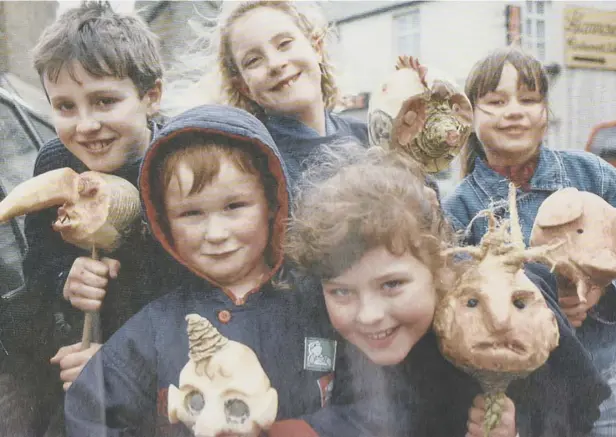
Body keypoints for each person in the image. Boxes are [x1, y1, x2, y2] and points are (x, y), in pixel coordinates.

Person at [284, 142, 610, 436]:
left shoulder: (507, 309)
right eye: (341, 292)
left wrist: (520, 427)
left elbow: (579, 403)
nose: (368, 315)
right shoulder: (328, 329)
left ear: (438, 267)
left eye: (392, 285)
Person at [63, 104, 342, 436]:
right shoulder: (156, 327)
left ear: (272, 202)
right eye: (191, 214)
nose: (216, 233)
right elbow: (89, 412)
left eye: (234, 206)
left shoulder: (323, 302)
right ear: (164, 223)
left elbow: (368, 402)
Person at [442, 47, 616, 436]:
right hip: (522, 393)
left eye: (529, 99)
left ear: (545, 114)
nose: (514, 111)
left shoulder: (589, 173)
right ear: (469, 114)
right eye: (496, 101)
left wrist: (600, 287)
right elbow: (453, 299)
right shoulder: (460, 208)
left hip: (606, 375)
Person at [15, 2, 165, 435]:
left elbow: (192, 287)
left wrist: (116, 359)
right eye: (64, 107)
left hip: (159, 368)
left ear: (151, 95)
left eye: (104, 100)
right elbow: (38, 266)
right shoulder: (57, 162)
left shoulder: (177, 161)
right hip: (78, 369)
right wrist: (66, 275)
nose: (86, 125)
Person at [170, 0, 368, 185]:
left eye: (284, 44)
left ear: (317, 47)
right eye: (253, 60)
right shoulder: (254, 164)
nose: (275, 63)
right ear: (244, 87)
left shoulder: (366, 136)